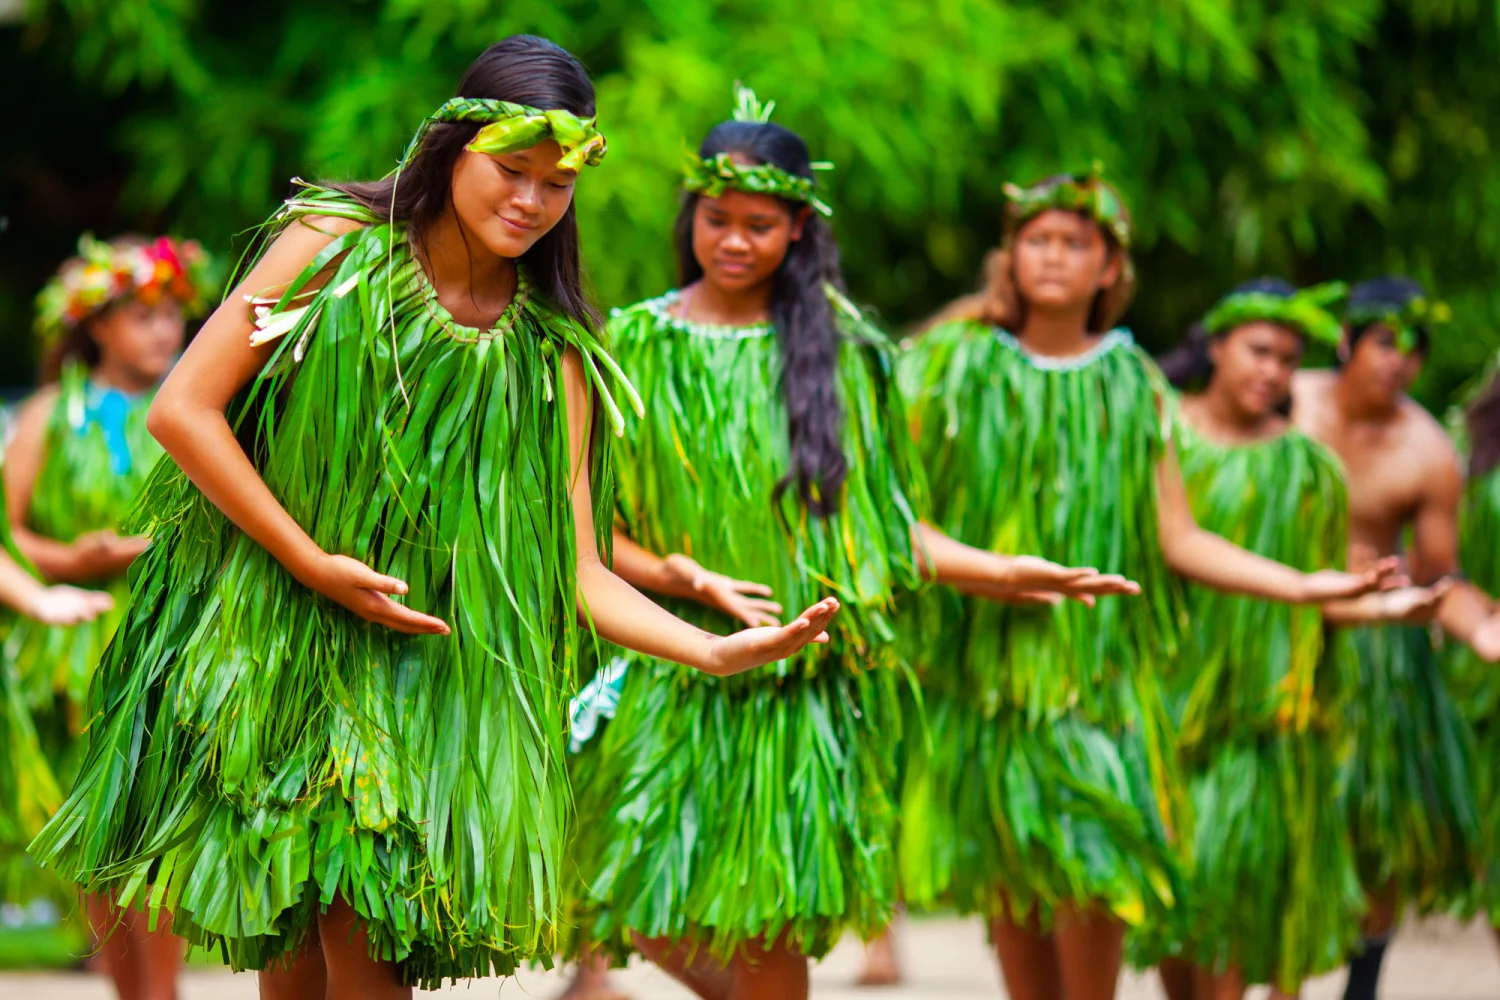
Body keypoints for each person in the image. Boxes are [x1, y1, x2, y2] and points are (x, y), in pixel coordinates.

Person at [28, 38, 847, 1000]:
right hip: (279, 647)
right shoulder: (334, 246)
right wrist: (309, 560)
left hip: (422, 681)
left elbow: (578, 570)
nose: (531, 201)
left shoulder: (555, 352)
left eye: (556, 183)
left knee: (369, 932)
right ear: (453, 145)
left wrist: (705, 651)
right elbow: (184, 410)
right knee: (294, 955)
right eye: (511, 169)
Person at [566, 88, 1139, 1000]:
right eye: (718, 218)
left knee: (767, 933)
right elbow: (593, 537)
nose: (735, 240)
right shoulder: (630, 344)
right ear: (692, 215)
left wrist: (998, 571)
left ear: (798, 230)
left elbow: (884, 532)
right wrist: (679, 574)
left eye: (761, 223)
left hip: (801, 688)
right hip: (676, 670)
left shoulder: (842, 352)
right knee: (620, 895)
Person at [897, 168, 1393, 1000]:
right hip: (987, 685)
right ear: (1010, 254)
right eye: (1038, 239)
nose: (1054, 256)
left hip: (1105, 686)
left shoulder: (1135, 383)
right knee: (1017, 904)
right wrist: (997, 573)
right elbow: (896, 516)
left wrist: (1307, 586)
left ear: (1109, 268)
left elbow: (1179, 536)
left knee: (1098, 881)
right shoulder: (950, 364)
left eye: (1076, 242)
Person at [1149, 278, 1448, 1000]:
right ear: (1215, 345)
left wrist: (1385, 612)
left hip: (1266, 720)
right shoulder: (1163, 438)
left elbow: (1322, 591)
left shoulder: (1308, 469)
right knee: (1177, 938)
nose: (1273, 372)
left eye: (1287, 359)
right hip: (1166, 705)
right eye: (1258, 351)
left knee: (1230, 913)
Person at [6, 231, 211, 1000]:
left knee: (157, 839)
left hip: (178, 644)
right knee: (103, 844)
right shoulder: (52, 416)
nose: (164, 331)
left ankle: (160, 993)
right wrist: (73, 560)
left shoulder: (194, 408)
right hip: (84, 643)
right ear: (95, 325)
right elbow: (10, 532)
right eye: (142, 316)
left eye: (173, 315)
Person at [1290, 276, 1500, 1000]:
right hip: (1274, 632)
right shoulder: (1285, 401)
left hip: (1380, 652)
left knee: (1378, 828)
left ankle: (1360, 989)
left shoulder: (1428, 451)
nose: (1400, 361)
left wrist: (1483, 630)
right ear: (1346, 340)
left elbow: (1443, 579)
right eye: (1385, 341)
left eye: (1416, 349)